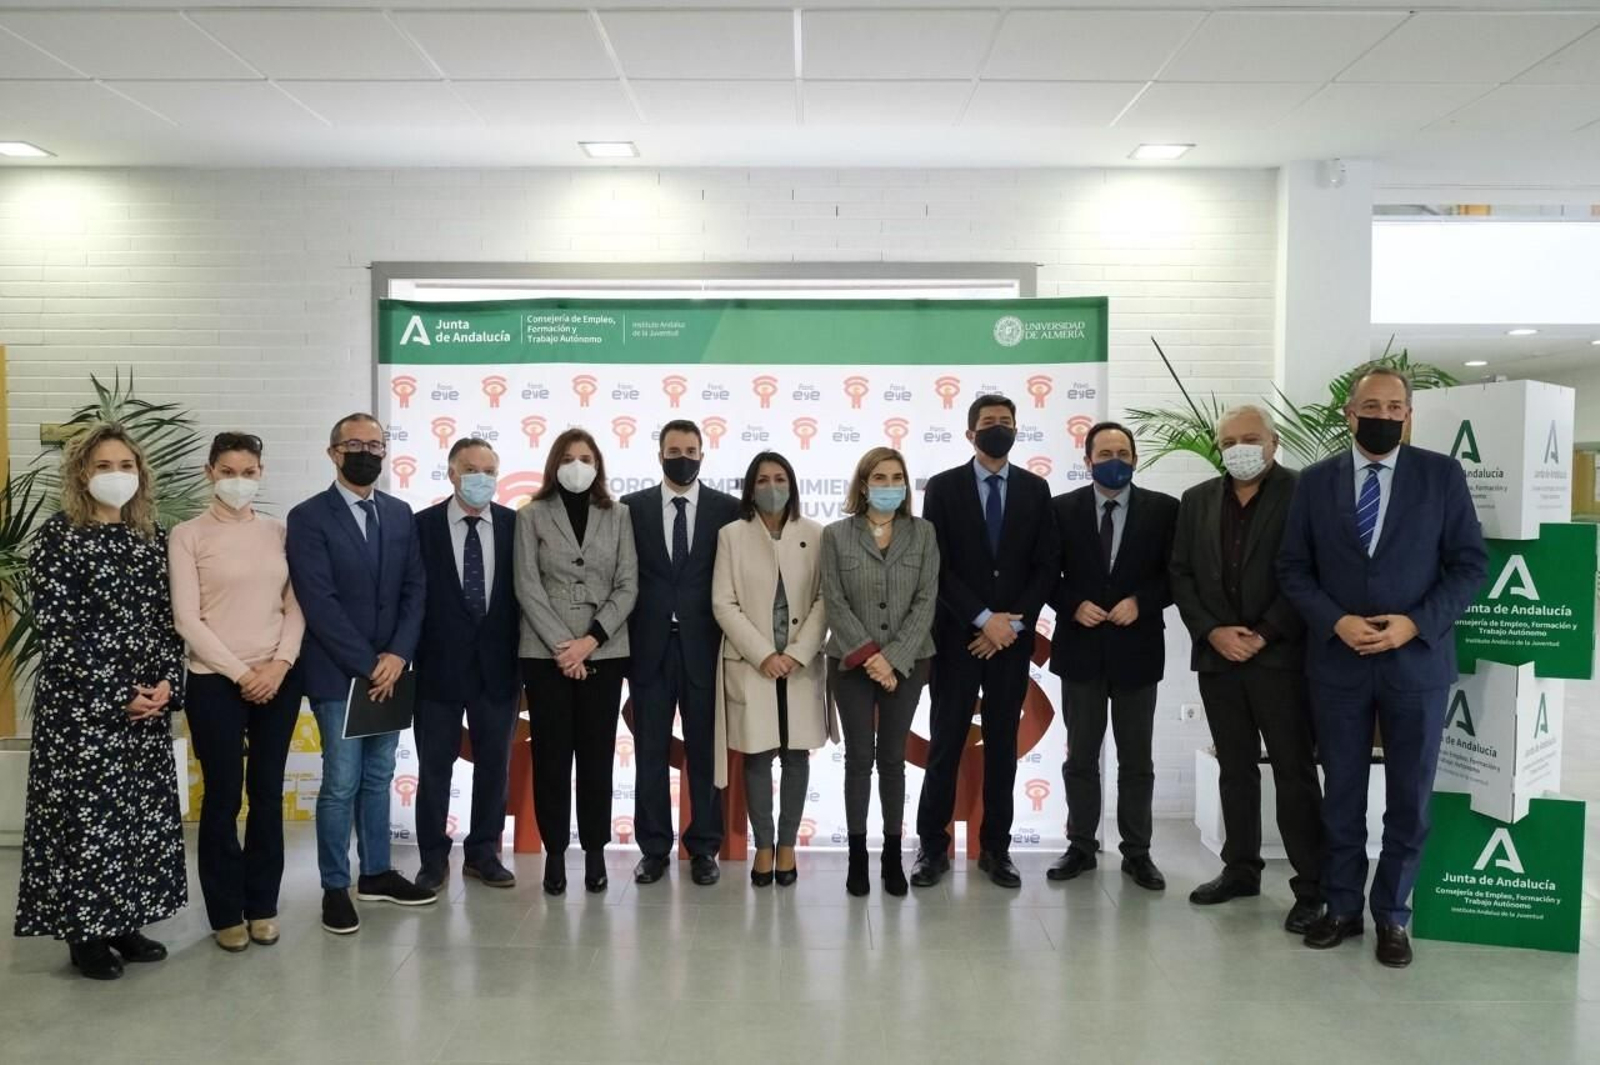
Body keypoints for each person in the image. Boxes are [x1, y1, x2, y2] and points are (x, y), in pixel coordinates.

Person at [1278, 365, 1486, 967]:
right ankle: (1342, 907)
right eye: (1372, 406)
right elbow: (1293, 568)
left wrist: (1414, 624)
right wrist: (1335, 621)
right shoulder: (1315, 482)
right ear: (1349, 413)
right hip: (1338, 663)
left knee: (1409, 798)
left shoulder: (1441, 476)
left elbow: (1469, 565)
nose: (1384, 416)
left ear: (1409, 416)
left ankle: (1393, 915)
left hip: (1415, 662)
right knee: (1341, 793)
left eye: (1396, 408)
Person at [15, 423, 186, 979]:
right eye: (104, 466)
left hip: (146, 708)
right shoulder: (59, 537)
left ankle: (124, 922)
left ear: (141, 474)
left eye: (126, 465)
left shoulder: (151, 537)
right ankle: (85, 934)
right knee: (88, 821)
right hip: (83, 712)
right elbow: (59, 630)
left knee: (136, 819)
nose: (117, 475)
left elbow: (169, 621)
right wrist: (116, 694)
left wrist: (167, 684)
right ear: (81, 474)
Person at [1169, 407, 1323, 932]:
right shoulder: (1197, 500)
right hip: (1218, 658)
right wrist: (1213, 632)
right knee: (1234, 769)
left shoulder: (1304, 493)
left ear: (1273, 442)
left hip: (1281, 657)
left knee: (1294, 772)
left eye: (1251, 438)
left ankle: (1312, 886)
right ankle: (1240, 869)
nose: (1240, 449)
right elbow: (1181, 574)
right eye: (1229, 441)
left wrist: (1264, 633)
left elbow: (1313, 571)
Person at [287, 412, 434, 935]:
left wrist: (396, 655)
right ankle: (334, 885)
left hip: (391, 672)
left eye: (375, 444)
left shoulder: (399, 513)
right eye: (355, 444)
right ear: (333, 453)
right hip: (338, 673)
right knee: (341, 782)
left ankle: (375, 873)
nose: (366, 453)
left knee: (379, 777)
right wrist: (369, 664)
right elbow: (319, 601)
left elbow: (415, 589)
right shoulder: (308, 517)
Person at [911, 395, 1059, 890]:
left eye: (1006, 422)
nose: (998, 428)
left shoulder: (1036, 489)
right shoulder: (943, 487)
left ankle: (996, 848)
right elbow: (938, 563)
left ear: (1017, 429)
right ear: (970, 433)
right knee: (945, 744)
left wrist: (1009, 627)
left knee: (1001, 749)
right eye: (989, 422)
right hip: (957, 639)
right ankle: (931, 848)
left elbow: (1045, 566)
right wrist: (981, 619)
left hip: (1010, 644)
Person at [169, 432, 305, 953]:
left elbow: (296, 605)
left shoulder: (278, 532)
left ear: (261, 474)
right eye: (227, 472)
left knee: (267, 793)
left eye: (248, 472)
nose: (238, 482)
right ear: (210, 473)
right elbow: (187, 618)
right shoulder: (187, 535)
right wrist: (240, 674)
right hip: (214, 682)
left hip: (277, 679)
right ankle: (226, 912)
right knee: (223, 796)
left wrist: (280, 664)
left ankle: (263, 905)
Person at [1046, 421, 1178, 891]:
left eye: (1123, 452)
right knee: (1080, 756)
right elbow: (1045, 574)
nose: (1114, 461)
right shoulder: (1060, 509)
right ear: (1087, 461)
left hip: (1137, 651)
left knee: (1137, 759)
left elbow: (1176, 575)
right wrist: (1071, 604)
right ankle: (1081, 845)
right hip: (1080, 650)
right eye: (1104, 453)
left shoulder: (1165, 510)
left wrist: (1142, 602)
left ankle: (1137, 852)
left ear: (1135, 459)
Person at [515, 428, 638, 896]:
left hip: (604, 651)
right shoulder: (531, 515)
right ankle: (554, 853)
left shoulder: (619, 514)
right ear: (554, 464)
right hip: (545, 655)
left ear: (598, 465)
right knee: (550, 756)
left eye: (586, 458)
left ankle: (594, 851)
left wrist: (588, 642)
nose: (577, 466)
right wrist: (563, 648)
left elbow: (628, 584)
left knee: (596, 757)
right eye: (568, 458)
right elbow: (527, 585)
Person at [622, 420, 741, 887]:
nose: (683, 459)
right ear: (659, 455)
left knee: (705, 753)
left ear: (702, 455)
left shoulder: (727, 510)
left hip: (705, 649)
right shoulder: (631, 508)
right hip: (648, 649)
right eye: (674, 451)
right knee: (649, 752)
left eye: (691, 451)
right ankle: (653, 849)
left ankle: (704, 847)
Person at [822, 446, 938, 897]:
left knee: (892, 758)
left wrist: (892, 659)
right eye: (880, 478)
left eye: (896, 478)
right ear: (864, 484)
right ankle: (857, 856)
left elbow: (925, 600)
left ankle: (892, 855)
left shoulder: (923, 533)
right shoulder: (836, 535)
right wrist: (871, 656)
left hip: (908, 662)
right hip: (851, 663)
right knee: (858, 759)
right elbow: (834, 601)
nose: (889, 486)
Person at [711, 452, 830, 889]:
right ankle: (763, 845)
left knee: (796, 755)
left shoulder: (816, 534)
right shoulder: (731, 535)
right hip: (753, 664)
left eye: (780, 479)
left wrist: (798, 652)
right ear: (750, 487)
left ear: (792, 485)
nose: (772, 487)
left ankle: (788, 845)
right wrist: (763, 653)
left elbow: (825, 599)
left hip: (800, 664)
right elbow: (724, 602)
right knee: (757, 755)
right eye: (762, 480)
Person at [411, 437, 520, 894]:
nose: (481, 478)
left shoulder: (516, 525)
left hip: (498, 668)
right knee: (435, 768)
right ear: (452, 473)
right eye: (471, 469)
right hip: (437, 669)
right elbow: (410, 595)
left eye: (489, 471)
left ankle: (483, 853)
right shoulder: (421, 526)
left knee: (494, 765)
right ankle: (433, 858)